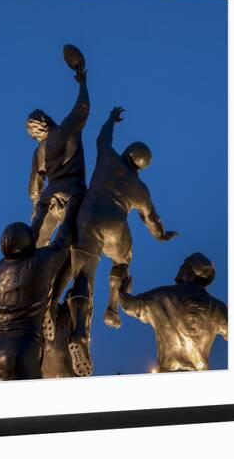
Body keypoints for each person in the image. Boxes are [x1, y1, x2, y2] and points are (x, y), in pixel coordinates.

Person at [67, 106, 177, 376]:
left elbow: (101, 138)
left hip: (91, 216)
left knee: (82, 276)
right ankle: (112, 308)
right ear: (141, 167)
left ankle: (79, 330)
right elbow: (152, 218)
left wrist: (110, 120)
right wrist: (161, 236)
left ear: (128, 152)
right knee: (122, 260)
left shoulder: (107, 157)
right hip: (117, 227)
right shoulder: (140, 189)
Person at [0, 206, 77, 382]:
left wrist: (42, 208)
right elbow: (63, 240)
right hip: (19, 346)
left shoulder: (0, 267)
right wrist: (72, 207)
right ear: (29, 242)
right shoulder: (42, 260)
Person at [119, 253, 228, 372]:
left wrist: (122, 291)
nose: (180, 267)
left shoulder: (161, 297)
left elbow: (128, 305)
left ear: (190, 272)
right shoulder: (218, 308)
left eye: (183, 265)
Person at [26, 46, 89, 249]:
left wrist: (38, 208)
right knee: (74, 242)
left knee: (35, 243)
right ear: (48, 120)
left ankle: (27, 270)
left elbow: (34, 189)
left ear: (37, 132)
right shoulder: (66, 130)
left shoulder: (39, 151)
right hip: (74, 193)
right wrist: (82, 84)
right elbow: (82, 109)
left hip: (49, 198)